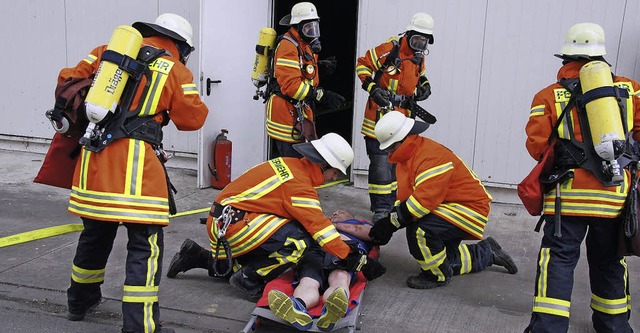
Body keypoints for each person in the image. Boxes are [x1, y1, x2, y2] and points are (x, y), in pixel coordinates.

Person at [61, 13, 208, 333]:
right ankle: (139, 326)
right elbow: (193, 119)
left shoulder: (105, 51)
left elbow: (67, 80)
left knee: (95, 234)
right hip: (136, 172)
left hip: (93, 167)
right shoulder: (176, 69)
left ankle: (79, 301)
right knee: (145, 247)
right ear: (181, 45)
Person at [523, 23, 639, 333]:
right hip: (614, 196)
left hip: (568, 199)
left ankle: (548, 328)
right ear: (601, 57)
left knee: (558, 261)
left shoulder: (548, 95)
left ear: (566, 58)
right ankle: (614, 327)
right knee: (610, 263)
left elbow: (536, 145)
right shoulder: (630, 89)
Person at [166, 133, 373, 303]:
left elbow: (308, 216)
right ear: (323, 165)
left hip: (227, 219)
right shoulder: (300, 186)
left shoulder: (289, 165)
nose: (334, 179)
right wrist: (349, 256)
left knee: (275, 244)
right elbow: (318, 229)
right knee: (299, 242)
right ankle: (247, 279)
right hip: (234, 225)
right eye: (335, 173)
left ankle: (196, 255)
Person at [368, 111, 518, 290]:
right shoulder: (408, 158)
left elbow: (422, 202)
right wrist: (390, 220)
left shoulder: (430, 156)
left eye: (391, 147)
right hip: (451, 206)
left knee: (420, 232)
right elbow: (407, 198)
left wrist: (390, 224)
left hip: (469, 209)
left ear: (404, 138)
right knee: (439, 257)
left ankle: (437, 276)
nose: (389, 152)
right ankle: (488, 252)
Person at [355, 12, 434, 223]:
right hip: (379, 116)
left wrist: (424, 85)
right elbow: (362, 64)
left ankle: (393, 204)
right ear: (407, 34)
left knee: (397, 164)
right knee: (381, 164)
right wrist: (372, 89)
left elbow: (420, 75)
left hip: (402, 119)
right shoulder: (389, 50)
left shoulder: (419, 57)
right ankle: (381, 209)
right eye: (416, 38)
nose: (419, 44)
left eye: (424, 40)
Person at [267, 210, 385, 331]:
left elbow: (370, 234)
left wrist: (335, 226)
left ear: (351, 215)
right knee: (308, 282)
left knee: (340, 277)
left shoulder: (360, 224)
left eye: (340, 212)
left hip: (348, 254)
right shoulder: (324, 223)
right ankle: (298, 307)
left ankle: (331, 309)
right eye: (334, 214)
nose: (335, 214)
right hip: (318, 252)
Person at [266, 2, 345, 158]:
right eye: (308, 27)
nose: (312, 32)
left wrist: (318, 67)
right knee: (292, 164)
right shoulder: (288, 46)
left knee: (300, 161)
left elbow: (301, 69)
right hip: (286, 115)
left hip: (298, 111)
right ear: (296, 27)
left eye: (314, 27)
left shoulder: (304, 44)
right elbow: (291, 86)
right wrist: (322, 95)